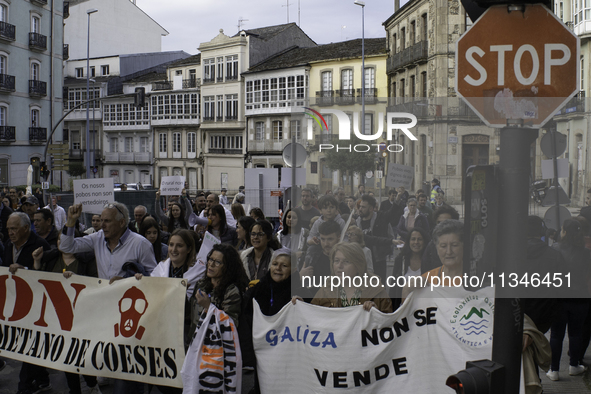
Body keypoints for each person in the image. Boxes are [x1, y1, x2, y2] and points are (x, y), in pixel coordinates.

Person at [4, 212, 52, 394]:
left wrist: (25, 270)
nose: (10, 232)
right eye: (8, 228)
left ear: (26, 228)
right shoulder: (8, 245)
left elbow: (49, 277)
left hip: (37, 307)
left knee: (29, 346)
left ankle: (23, 388)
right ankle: (43, 380)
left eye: (14, 228)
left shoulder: (41, 245)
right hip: (17, 305)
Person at [241, 249, 294, 392]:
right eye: (275, 264)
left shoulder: (300, 290)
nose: (278, 268)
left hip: (289, 353)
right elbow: (246, 310)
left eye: (284, 266)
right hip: (265, 351)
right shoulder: (260, 287)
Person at [60, 202, 157, 281]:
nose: (102, 225)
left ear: (122, 222)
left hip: (129, 300)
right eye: (101, 220)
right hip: (105, 300)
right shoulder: (98, 237)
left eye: (107, 221)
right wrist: (70, 222)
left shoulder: (141, 244)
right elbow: (66, 247)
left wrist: (128, 280)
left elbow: (155, 277)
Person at [547, 218, 591, 380]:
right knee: (576, 334)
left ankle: (554, 370)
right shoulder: (586, 253)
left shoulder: (555, 249)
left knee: (556, 335)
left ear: (564, 231)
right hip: (580, 297)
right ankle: (574, 365)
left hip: (559, 298)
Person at [188, 244, 250, 343]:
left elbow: (230, 325)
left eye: (217, 262)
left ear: (228, 267)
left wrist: (208, 307)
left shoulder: (231, 291)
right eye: (210, 259)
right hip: (195, 342)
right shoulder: (201, 284)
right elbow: (190, 315)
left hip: (214, 347)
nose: (211, 264)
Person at [308, 242, 392, 313]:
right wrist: (300, 306)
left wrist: (376, 312)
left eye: (346, 262)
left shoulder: (375, 289)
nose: (339, 266)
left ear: (358, 265)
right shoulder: (327, 288)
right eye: (336, 261)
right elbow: (312, 315)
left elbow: (388, 320)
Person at [137, 228, 202, 299]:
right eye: (171, 245)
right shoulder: (161, 267)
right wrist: (141, 281)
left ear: (189, 249)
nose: (174, 250)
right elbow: (149, 292)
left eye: (179, 246)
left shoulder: (198, 271)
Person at [355, 194, 402, 281]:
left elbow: (392, 212)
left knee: (379, 286)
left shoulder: (380, 218)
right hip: (362, 260)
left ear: (371, 209)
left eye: (363, 207)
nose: (360, 209)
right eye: (360, 207)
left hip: (378, 260)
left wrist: (398, 198)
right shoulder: (357, 222)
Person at [392, 227, 430, 310]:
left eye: (419, 239)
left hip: (424, 308)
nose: (416, 242)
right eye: (413, 239)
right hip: (404, 308)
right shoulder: (400, 260)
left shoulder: (430, 261)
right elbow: (393, 287)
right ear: (408, 242)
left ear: (424, 242)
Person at [421, 205, 460, 273]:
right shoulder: (431, 246)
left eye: (446, 222)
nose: (442, 226)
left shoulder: (463, 244)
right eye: (439, 223)